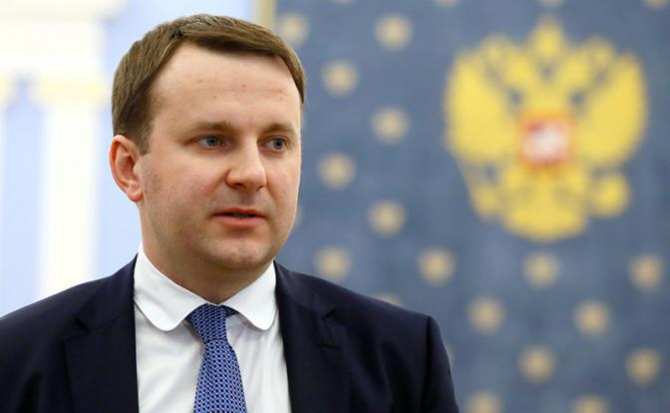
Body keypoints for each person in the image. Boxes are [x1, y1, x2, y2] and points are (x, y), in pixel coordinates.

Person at [0, 14, 459, 413]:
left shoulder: (398, 357)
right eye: (213, 141)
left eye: (276, 143)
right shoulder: (18, 362)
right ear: (129, 168)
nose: (252, 174)